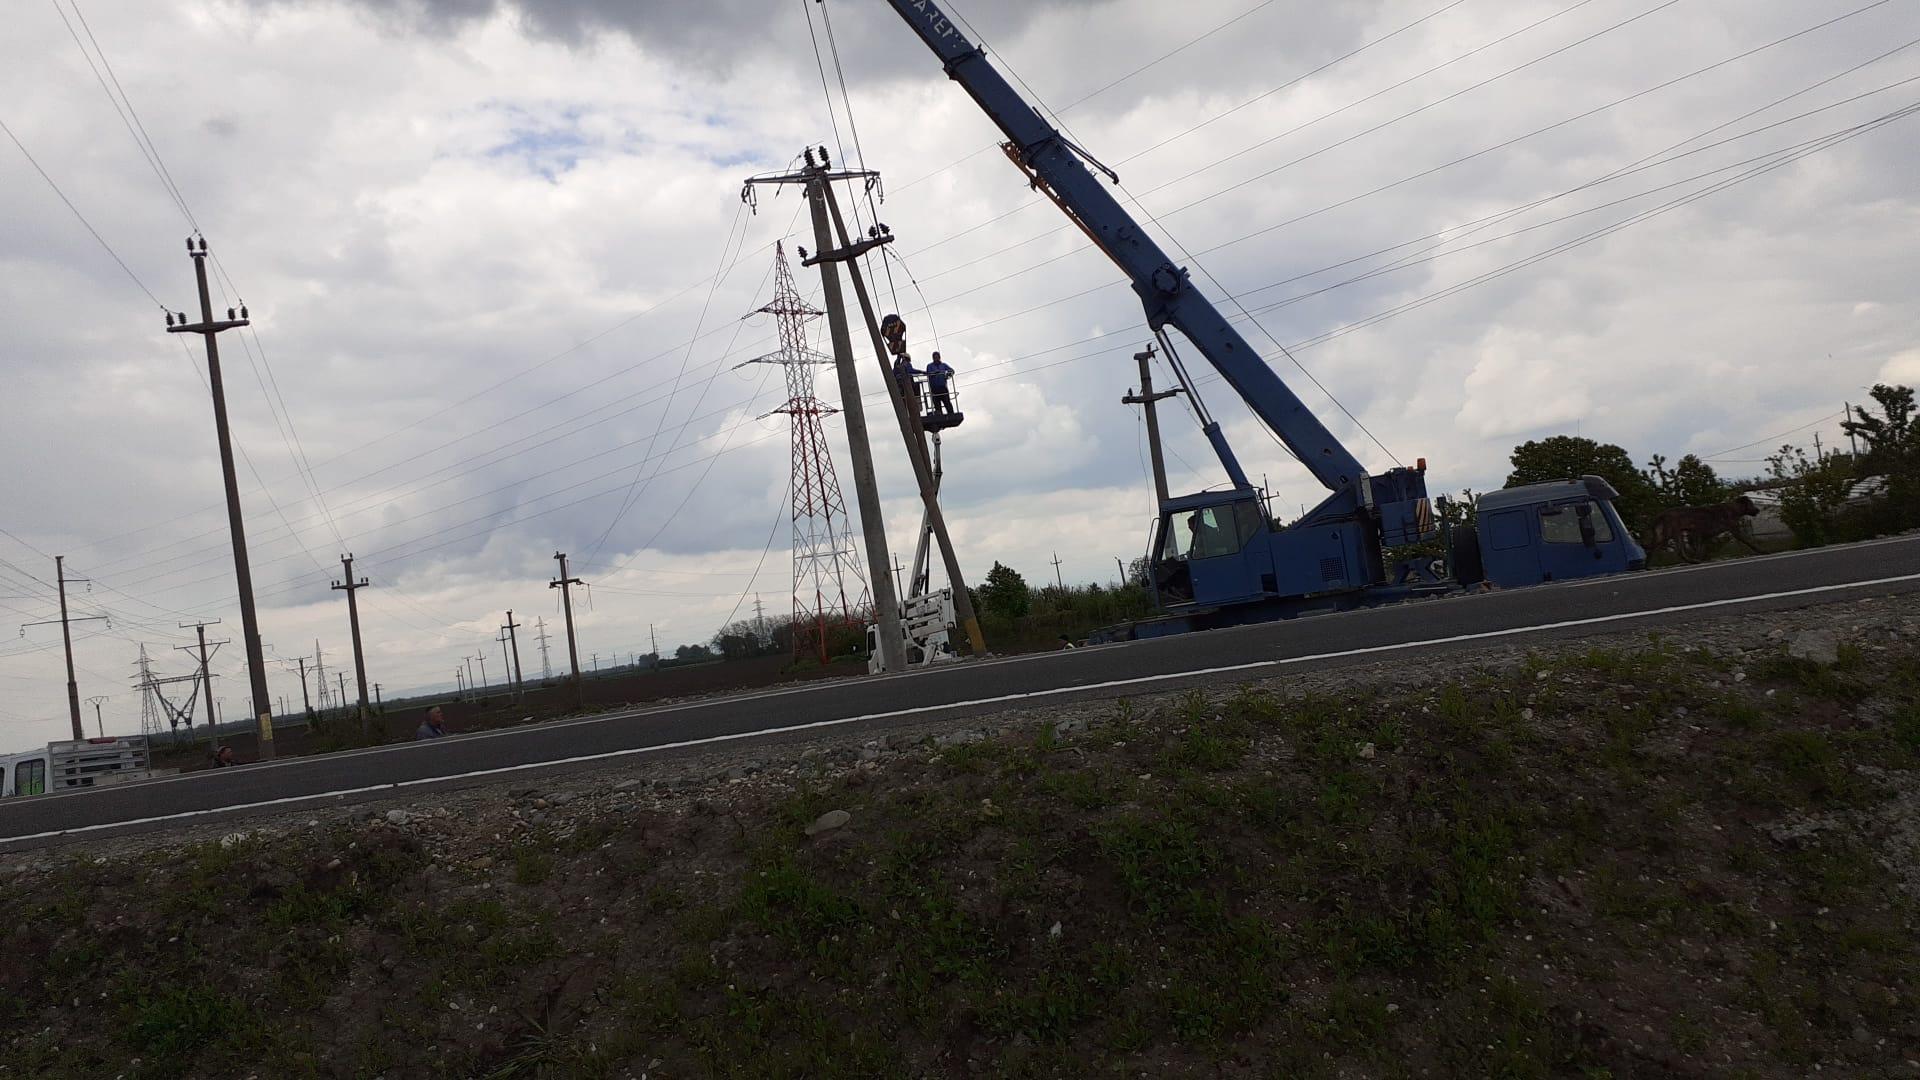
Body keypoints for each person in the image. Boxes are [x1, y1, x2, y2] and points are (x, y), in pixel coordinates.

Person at [925, 352, 955, 416]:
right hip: (934, 388)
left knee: (947, 402)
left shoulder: (943, 365)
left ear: (939, 357)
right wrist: (935, 373)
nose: (936, 359)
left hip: (942, 387)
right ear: (933, 358)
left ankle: (951, 414)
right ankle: (939, 414)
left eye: (937, 357)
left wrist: (948, 375)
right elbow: (928, 374)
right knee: (937, 404)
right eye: (935, 357)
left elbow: (952, 370)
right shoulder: (930, 366)